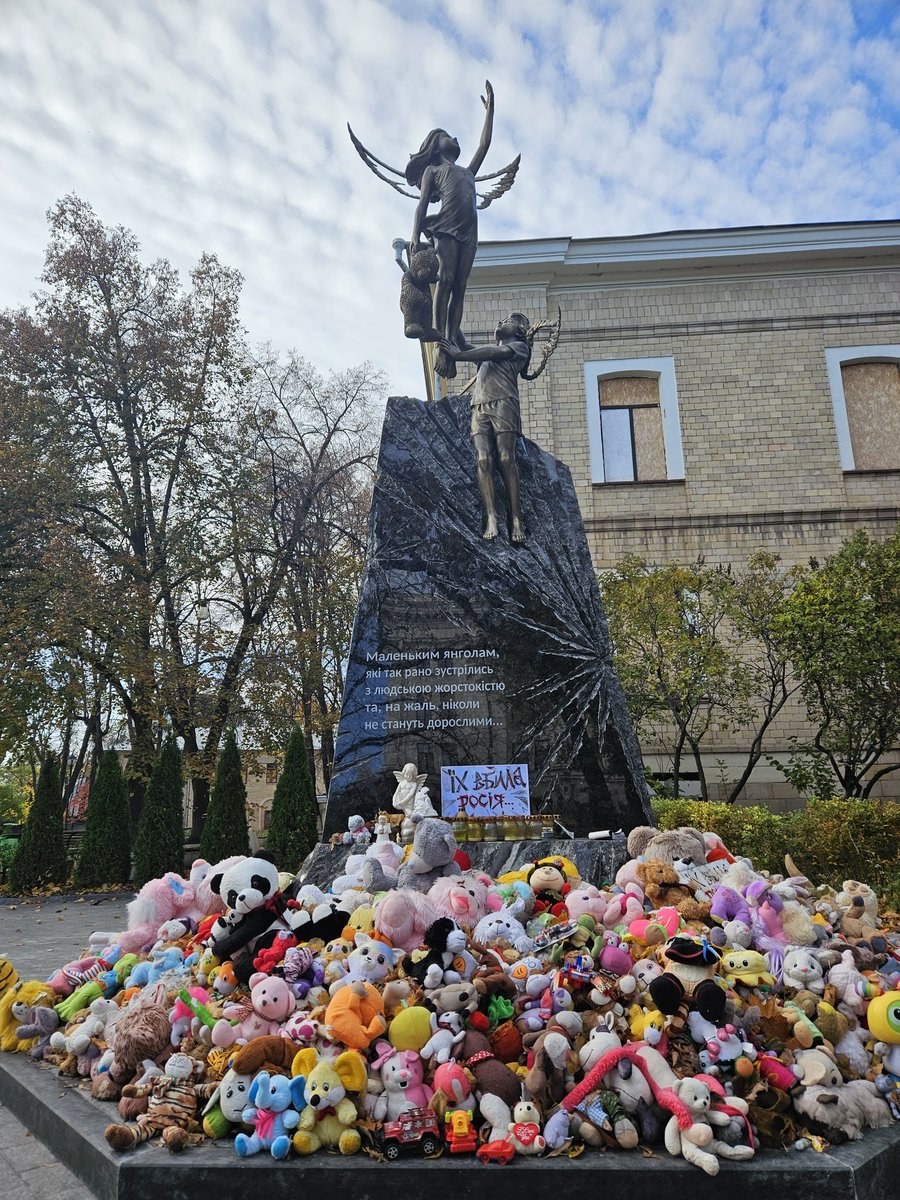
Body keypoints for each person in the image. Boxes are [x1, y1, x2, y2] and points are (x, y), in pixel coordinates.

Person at [408, 81, 494, 368]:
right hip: (445, 226)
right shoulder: (433, 170)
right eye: (447, 136)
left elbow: (484, 145)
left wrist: (489, 113)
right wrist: (413, 235)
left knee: (460, 285)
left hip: (469, 232)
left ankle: (451, 341)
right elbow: (422, 204)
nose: (455, 138)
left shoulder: (468, 172)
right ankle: (440, 344)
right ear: (435, 146)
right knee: (445, 279)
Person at [439, 312, 532, 543]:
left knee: (506, 458)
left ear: (520, 330)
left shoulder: (520, 348)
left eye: (509, 321)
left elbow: (492, 352)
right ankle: (491, 517)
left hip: (504, 403)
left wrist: (457, 355)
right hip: (478, 407)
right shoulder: (483, 357)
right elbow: (464, 343)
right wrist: (451, 314)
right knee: (482, 459)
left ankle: (516, 518)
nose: (502, 322)